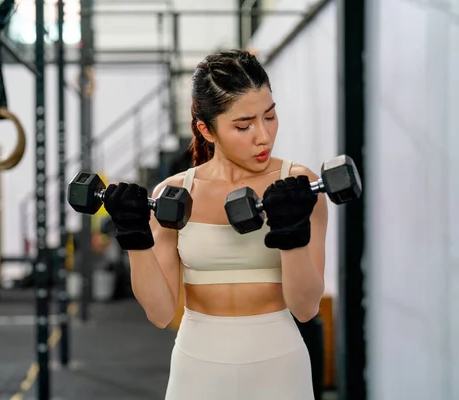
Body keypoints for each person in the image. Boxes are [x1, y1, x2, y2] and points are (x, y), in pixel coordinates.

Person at [102, 49, 328, 399]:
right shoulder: (173, 193)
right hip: (198, 363)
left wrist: (292, 234)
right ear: (206, 130)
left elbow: (306, 307)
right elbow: (161, 313)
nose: (263, 136)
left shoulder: (299, 186)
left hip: (279, 363)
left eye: (269, 117)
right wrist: (135, 238)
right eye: (243, 125)